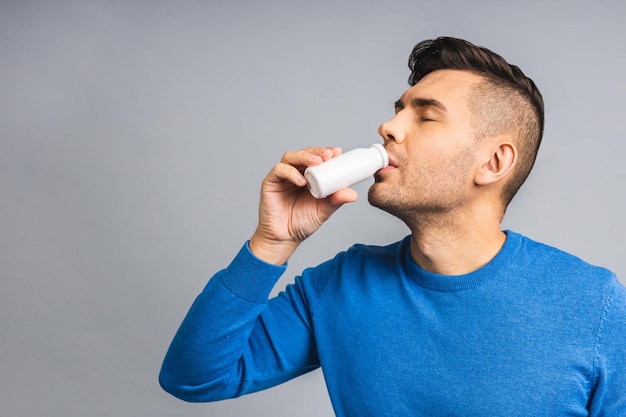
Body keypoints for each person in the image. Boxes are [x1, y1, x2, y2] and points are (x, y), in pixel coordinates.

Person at [159, 37, 626, 416]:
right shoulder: (341, 285)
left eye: (424, 115)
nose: (388, 126)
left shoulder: (595, 304)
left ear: (494, 162)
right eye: (398, 110)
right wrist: (271, 243)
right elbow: (194, 377)